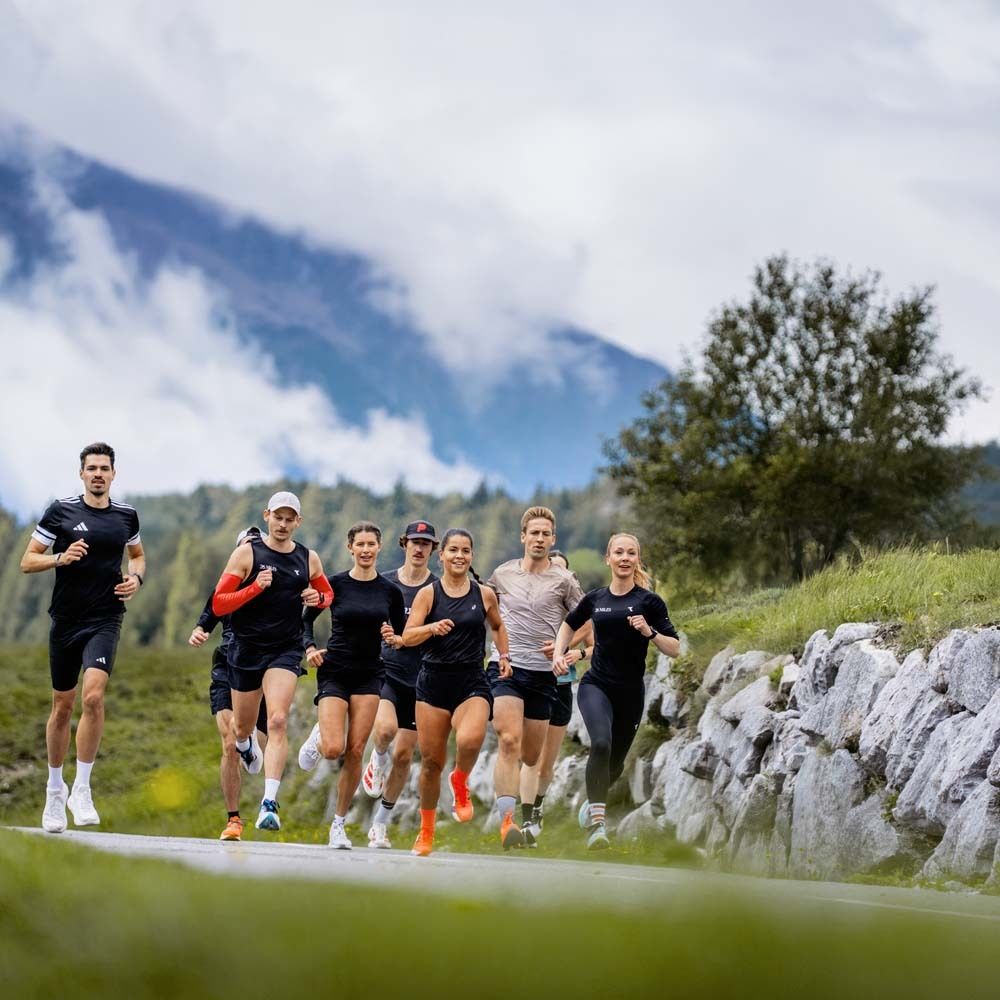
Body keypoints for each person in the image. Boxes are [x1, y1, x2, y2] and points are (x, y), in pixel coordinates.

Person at [21, 442, 145, 833]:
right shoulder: (61, 511)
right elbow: (27, 560)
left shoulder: (126, 515)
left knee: (93, 697)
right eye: (91, 468)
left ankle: (82, 789)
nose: (98, 474)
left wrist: (136, 579)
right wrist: (60, 557)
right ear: (81, 474)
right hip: (66, 621)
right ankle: (54, 791)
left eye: (104, 468)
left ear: (113, 474)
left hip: (106, 618)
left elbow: (138, 555)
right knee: (62, 706)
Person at [211, 491, 331, 833]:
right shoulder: (246, 553)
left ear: (298, 522)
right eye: (278, 517)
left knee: (277, 720)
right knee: (242, 729)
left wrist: (317, 597)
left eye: (289, 519)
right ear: (267, 516)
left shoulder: (308, 558)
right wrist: (254, 588)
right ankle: (245, 744)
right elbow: (219, 603)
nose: (283, 524)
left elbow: (327, 594)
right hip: (246, 649)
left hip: (285, 649)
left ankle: (269, 803)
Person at [553, 533, 680, 850]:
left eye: (631, 553)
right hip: (596, 685)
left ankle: (592, 801)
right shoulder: (595, 599)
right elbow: (569, 625)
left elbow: (674, 648)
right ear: (608, 559)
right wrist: (558, 652)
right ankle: (598, 827)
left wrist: (649, 632)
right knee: (600, 744)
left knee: (614, 766)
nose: (625, 558)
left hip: (630, 693)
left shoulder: (649, 602)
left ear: (637, 559)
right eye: (619, 552)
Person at [401, 528, 510, 857]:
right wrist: (431, 628)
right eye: (453, 550)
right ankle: (426, 831)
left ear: (471, 556)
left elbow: (498, 626)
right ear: (442, 555)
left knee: (470, 740)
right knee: (431, 763)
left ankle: (460, 779)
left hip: (471, 680)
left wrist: (504, 656)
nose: (460, 556)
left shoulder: (484, 594)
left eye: (465, 551)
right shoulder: (428, 594)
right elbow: (408, 637)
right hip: (433, 683)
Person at [298, 522, 406, 849]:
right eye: (360, 544)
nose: (366, 550)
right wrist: (310, 648)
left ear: (379, 547)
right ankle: (320, 736)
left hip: (370, 673)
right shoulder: (334, 584)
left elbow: (400, 634)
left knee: (356, 750)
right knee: (334, 749)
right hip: (335, 670)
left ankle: (338, 825)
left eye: (371, 544)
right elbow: (306, 620)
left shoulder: (389, 591)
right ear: (351, 548)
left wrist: (393, 637)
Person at [486, 508, 586, 849]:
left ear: (553, 539)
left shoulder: (565, 580)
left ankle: (527, 811)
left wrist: (562, 646)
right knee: (508, 741)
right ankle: (508, 823)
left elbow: (587, 620)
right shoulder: (502, 574)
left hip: (544, 677)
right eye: (534, 533)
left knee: (531, 757)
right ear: (523, 536)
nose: (539, 539)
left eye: (545, 534)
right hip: (507, 668)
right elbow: (480, 607)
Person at [359, 520, 439, 850]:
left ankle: (380, 824)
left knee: (405, 756)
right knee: (385, 730)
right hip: (386, 671)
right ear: (404, 544)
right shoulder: (385, 582)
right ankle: (377, 758)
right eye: (415, 542)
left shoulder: (437, 589)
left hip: (421, 680)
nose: (420, 548)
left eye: (426, 543)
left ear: (433, 549)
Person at [189, 526, 269, 842]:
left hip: (263, 666)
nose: (250, 552)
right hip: (227, 661)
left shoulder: (274, 586)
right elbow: (208, 616)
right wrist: (200, 631)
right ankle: (233, 819)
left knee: (254, 751)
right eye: (245, 546)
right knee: (229, 742)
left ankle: (249, 744)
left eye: (256, 546)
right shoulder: (227, 585)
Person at [518, 549, 593, 847]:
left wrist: (574, 652)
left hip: (561, 687)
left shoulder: (577, 611)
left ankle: (537, 806)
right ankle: (526, 820)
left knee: (546, 764)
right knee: (530, 758)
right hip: (532, 683)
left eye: (561, 570)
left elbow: (594, 644)